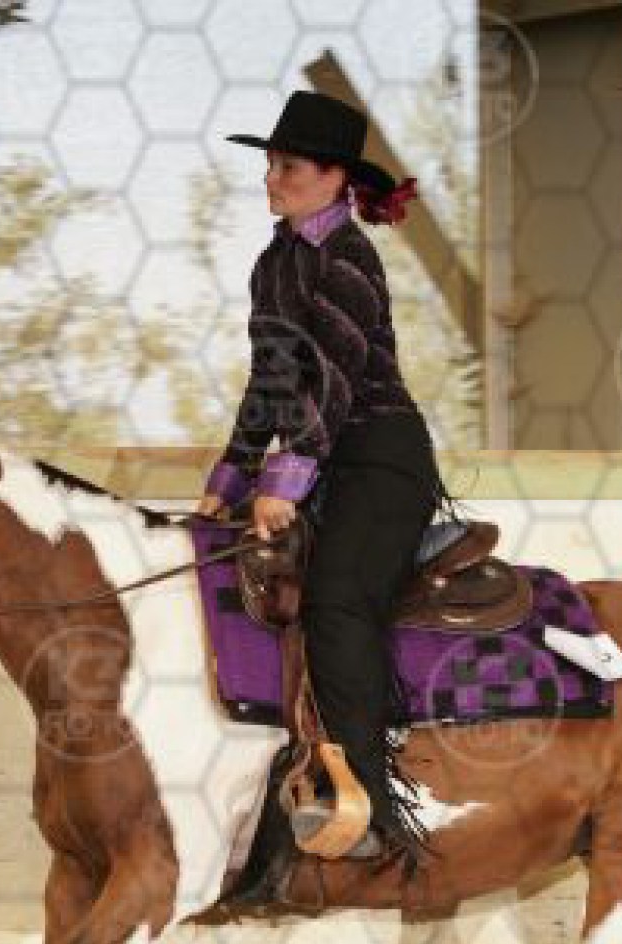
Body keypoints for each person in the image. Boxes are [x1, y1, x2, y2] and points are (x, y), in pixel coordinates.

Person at [195, 89, 463, 882]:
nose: (271, 178)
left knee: (337, 602)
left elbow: (338, 381)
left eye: (289, 166)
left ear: (335, 178)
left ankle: (370, 813)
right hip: (319, 467)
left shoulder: (348, 256)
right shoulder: (273, 263)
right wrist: (228, 478)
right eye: (271, 164)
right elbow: (269, 384)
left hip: (380, 460)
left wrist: (283, 478)